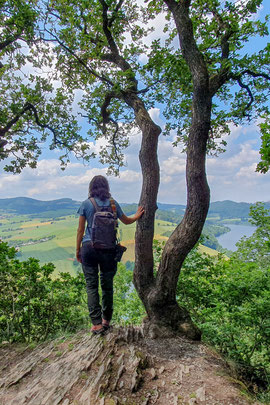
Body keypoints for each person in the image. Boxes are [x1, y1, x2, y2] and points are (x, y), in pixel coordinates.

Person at [76, 175, 144, 335]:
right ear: (106, 188)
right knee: (107, 287)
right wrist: (137, 214)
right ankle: (106, 321)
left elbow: (80, 230)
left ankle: (96, 325)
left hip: (89, 248)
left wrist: (77, 250)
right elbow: (127, 221)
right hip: (108, 250)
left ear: (91, 188)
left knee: (91, 286)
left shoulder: (86, 204)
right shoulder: (113, 204)